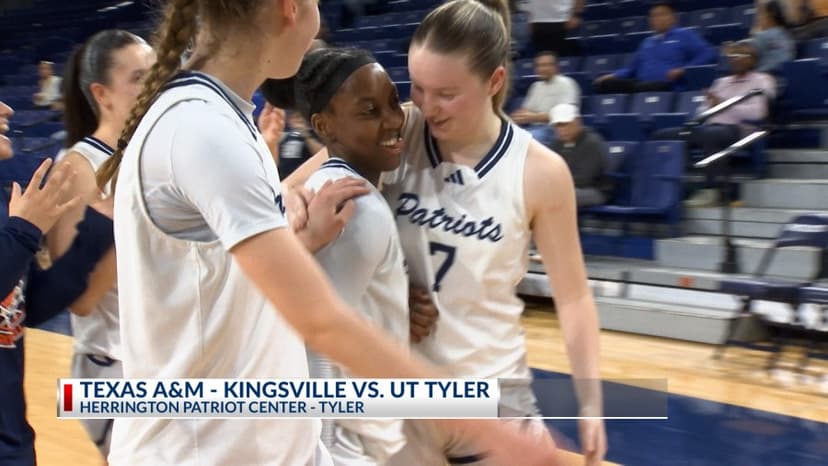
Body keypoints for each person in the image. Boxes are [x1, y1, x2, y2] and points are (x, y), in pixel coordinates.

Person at [94, 1, 559, 465]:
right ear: (288, 9)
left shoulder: (219, 120)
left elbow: (220, 287)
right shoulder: (202, 129)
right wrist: (486, 428)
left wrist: (301, 239)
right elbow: (321, 322)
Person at [287, 1, 606, 465]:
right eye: (417, 87)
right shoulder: (398, 130)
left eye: (446, 93)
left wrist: (592, 403)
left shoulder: (540, 172)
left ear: (494, 81)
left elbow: (574, 297)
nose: (426, 106)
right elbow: (287, 195)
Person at [262, 45, 410, 465]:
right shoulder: (354, 207)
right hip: (343, 444)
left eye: (393, 103)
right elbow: (319, 346)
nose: (394, 120)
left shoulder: (332, 189)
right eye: (369, 111)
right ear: (324, 126)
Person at [47, 29, 155, 460]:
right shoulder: (77, 168)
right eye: (139, 78)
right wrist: (120, 226)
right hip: (111, 367)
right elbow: (82, 300)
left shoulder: (147, 156)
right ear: (102, 93)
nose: (154, 88)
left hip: (161, 359)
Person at [0, 100, 114, 466]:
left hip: (14, 437)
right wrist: (24, 232)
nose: (7, 109)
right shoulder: (17, 219)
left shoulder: (5, 201)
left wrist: (98, 229)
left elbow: (26, 307)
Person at [651, 42, 776, 207]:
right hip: (710, 127)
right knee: (662, 135)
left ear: (752, 60)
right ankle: (675, 187)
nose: (734, 60)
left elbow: (758, 112)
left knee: (711, 135)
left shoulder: (762, 80)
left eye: (740, 56)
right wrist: (709, 106)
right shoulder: (721, 82)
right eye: (732, 57)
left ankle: (714, 190)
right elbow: (701, 111)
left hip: (740, 130)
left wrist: (724, 104)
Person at [594, 1, 716, 94]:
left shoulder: (684, 35)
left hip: (667, 86)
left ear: (673, 17)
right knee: (604, 84)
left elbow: (708, 53)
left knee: (645, 87)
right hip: (641, 85)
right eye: (653, 16)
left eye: (662, 14)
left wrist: (684, 69)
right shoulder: (646, 42)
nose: (657, 19)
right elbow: (631, 69)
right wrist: (612, 76)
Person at [510, 51, 580, 145]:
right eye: (539, 66)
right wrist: (516, 118)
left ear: (556, 67)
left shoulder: (566, 84)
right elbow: (526, 111)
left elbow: (566, 116)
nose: (543, 69)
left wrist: (535, 117)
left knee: (525, 140)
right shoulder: (535, 86)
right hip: (534, 128)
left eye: (547, 65)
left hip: (556, 129)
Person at [549, 104, 611, 208]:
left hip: (594, 190)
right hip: (566, 188)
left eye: (565, 124)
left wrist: (555, 185)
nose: (562, 129)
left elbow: (584, 179)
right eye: (558, 125)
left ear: (578, 121)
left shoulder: (592, 142)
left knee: (558, 195)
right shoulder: (556, 144)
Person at [747, 0, 795, 73]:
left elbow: (744, 55)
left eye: (760, 13)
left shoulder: (763, 36)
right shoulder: (787, 34)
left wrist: (753, 34)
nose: (757, 18)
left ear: (770, 15)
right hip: (786, 77)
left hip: (766, 77)